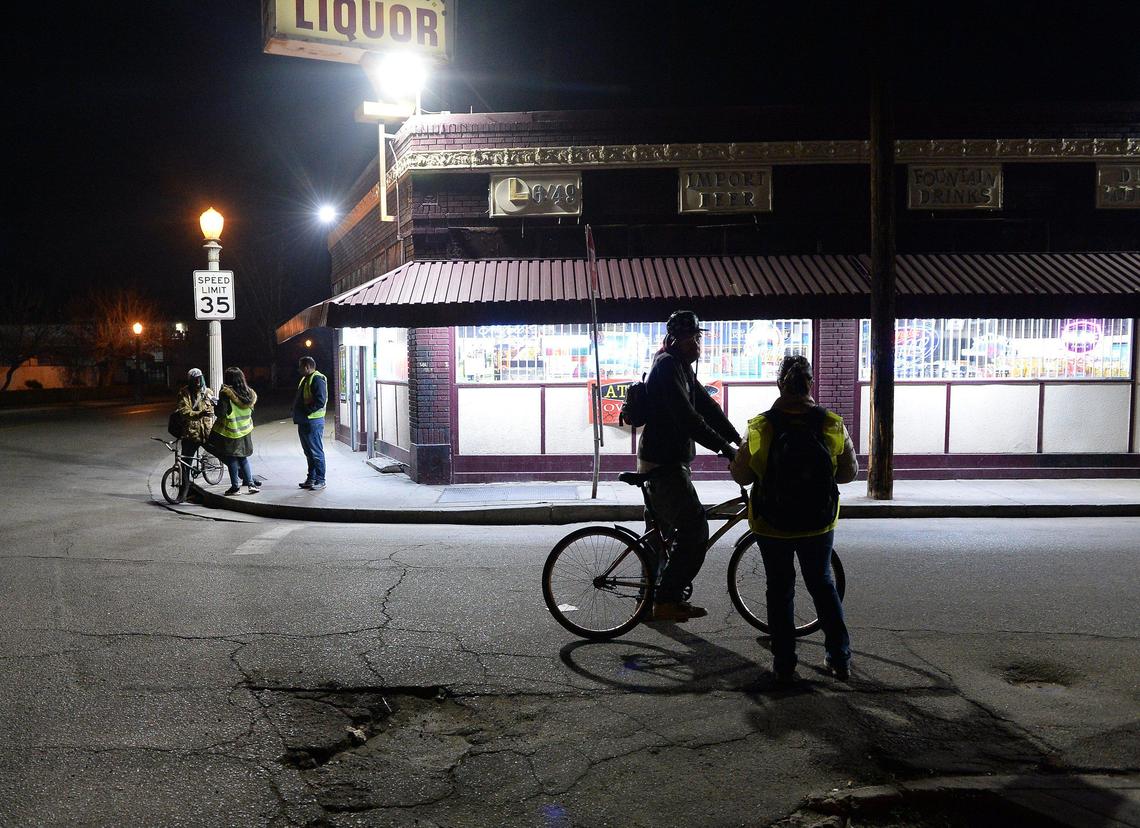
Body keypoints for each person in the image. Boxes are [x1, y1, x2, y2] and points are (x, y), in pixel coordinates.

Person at [730, 354, 858, 683]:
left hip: (772, 523)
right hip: (818, 522)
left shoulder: (760, 426)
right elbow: (848, 474)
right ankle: (839, 657)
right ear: (811, 384)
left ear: (779, 385)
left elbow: (742, 476)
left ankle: (785, 663)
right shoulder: (831, 423)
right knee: (823, 584)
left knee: (780, 588)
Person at [638, 310, 741, 622]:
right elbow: (689, 419)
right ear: (676, 339)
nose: (698, 343)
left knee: (660, 537)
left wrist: (736, 439)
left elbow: (706, 406)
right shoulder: (667, 367)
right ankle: (666, 600)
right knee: (695, 529)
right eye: (692, 337)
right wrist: (726, 449)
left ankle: (649, 600)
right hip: (663, 465)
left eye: (698, 337)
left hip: (666, 461)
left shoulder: (679, 366)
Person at [207, 367, 259, 496]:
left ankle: (235, 487)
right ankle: (250, 484)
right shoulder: (250, 393)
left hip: (232, 431)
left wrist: (215, 405)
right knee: (243, 458)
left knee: (232, 460)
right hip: (246, 430)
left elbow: (221, 413)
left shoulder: (226, 393)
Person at [293, 356, 328, 490]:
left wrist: (307, 411)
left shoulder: (318, 379)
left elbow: (320, 400)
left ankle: (320, 480)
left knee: (316, 452)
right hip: (305, 420)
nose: (299, 369)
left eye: (300, 366)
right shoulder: (305, 378)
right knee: (309, 452)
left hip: (313, 421)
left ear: (307, 366)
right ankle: (311, 478)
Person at [174, 368, 215, 468]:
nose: (197, 382)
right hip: (191, 434)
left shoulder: (208, 392)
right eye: (195, 379)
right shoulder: (184, 393)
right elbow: (184, 412)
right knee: (186, 463)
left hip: (207, 433)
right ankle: (186, 483)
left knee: (223, 455)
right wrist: (200, 414)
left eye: (199, 379)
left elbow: (213, 410)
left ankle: (245, 476)